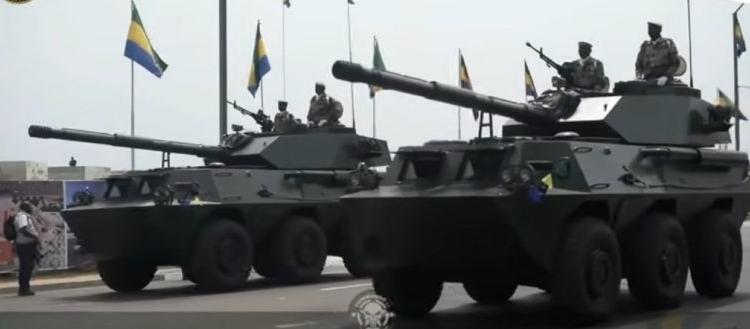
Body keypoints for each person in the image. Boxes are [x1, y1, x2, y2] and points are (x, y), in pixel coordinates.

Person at [13, 202, 39, 296]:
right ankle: (24, 289)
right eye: (29, 206)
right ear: (25, 207)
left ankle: (25, 288)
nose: (31, 208)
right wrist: (34, 236)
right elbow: (23, 229)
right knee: (25, 267)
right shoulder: (22, 216)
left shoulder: (25, 216)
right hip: (25, 244)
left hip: (27, 244)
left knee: (27, 267)